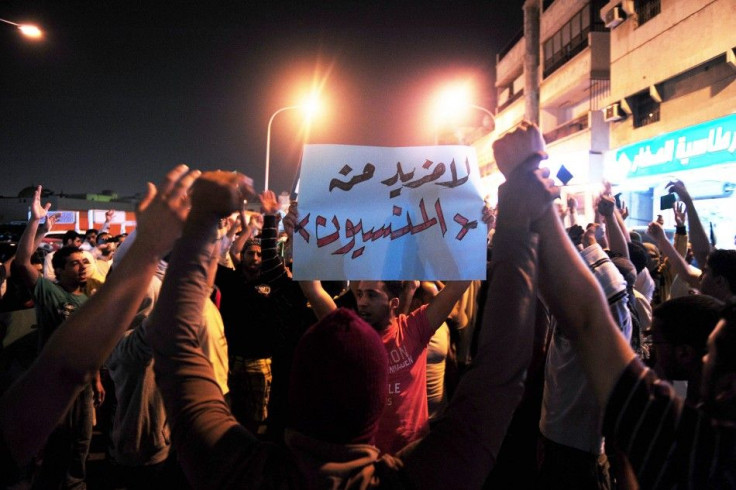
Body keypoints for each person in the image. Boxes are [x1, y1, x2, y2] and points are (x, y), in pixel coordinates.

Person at [0, 165, 204, 487]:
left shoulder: (95, 301)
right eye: (74, 263)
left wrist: (95, 378)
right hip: (56, 385)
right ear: (59, 270)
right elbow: (24, 264)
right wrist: (36, 223)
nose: (82, 268)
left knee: (78, 452)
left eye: (86, 262)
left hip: (83, 387)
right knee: (50, 455)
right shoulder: (53, 294)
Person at [531, 172, 736, 487]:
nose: (651, 348)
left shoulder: (699, 447)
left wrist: (539, 208)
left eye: (713, 354)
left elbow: (590, 321)